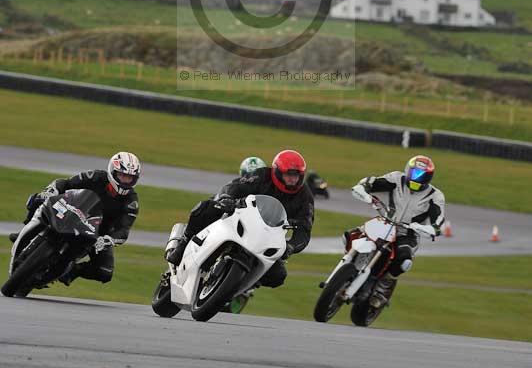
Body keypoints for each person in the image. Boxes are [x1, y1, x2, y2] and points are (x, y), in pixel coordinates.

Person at [166, 149, 314, 289]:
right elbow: (236, 186)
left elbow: (305, 229)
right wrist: (227, 198)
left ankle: (243, 284)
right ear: (277, 171)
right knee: (206, 208)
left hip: (267, 236)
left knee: (278, 276)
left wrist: (291, 246)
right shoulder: (262, 175)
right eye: (289, 175)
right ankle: (184, 242)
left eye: (296, 176)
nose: (292, 180)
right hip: (241, 215)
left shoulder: (305, 196)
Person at [12, 152, 141, 287]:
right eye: (122, 176)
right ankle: (25, 230)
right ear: (112, 172)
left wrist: (108, 239)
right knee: (39, 199)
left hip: (97, 235)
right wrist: (52, 190)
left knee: (105, 272)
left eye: (130, 178)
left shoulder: (131, 201)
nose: (126, 181)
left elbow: (124, 229)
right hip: (72, 212)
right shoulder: (96, 177)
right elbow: (66, 183)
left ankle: (71, 271)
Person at [351, 154, 445, 308]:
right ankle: (347, 264)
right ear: (408, 170)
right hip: (386, 222)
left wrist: (431, 228)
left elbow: (438, 219)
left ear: (429, 177)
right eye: (415, 173)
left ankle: (383, 285)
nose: (417, 178)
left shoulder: (435, 196)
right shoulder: (396, 178)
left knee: (405, 260)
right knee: (352, 235)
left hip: (408, 233)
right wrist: (363, 188)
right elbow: (373, 182)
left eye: (423, 175)